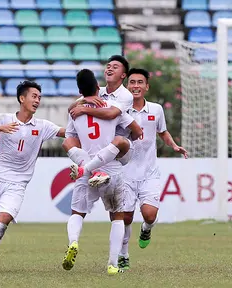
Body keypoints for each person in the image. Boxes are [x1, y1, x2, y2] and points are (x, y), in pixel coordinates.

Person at [0, 81, 65, 270]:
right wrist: (0, 129)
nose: (37, 101)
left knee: (4, 219)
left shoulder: (42, 126)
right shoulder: (3, 119)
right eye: (34, 96)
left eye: (39, 98)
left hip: (19, 182)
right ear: (22, 98)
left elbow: (64, 132)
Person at [62, 69, 139, 275]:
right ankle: (113, 264)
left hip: (84, 169)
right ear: (98, 88)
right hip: (111, 167)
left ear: (79, 91)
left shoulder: (75, 112)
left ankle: (74, 242)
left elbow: (70, 139)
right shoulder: (111, 106)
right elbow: (137, 130)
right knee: (117, 217)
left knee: (77, 213)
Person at [117, 68, 188, 270]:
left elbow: (162, 131)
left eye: (140, 82)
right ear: (127, 86)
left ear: (147, 86)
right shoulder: (119, 110)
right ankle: (123, 255)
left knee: (149, 215)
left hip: (149, 172)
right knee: (126, 217)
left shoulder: (156, 109)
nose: (136, 86)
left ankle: (146, 229)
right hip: (125, 173)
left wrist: (173, 145)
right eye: (132, 82)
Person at [63, 55, 138, 186]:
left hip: (119, 148)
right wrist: (84, 100)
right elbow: (72, 108)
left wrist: (84, 109)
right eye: (108, 66)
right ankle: (95, 172)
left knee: (118, 140)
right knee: (67, 142)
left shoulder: (125, 95)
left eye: (115, 67)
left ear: (123, 75)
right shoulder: (99, 91)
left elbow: (111, 114)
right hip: (98, 145)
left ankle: (85, 169)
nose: (109, 69)